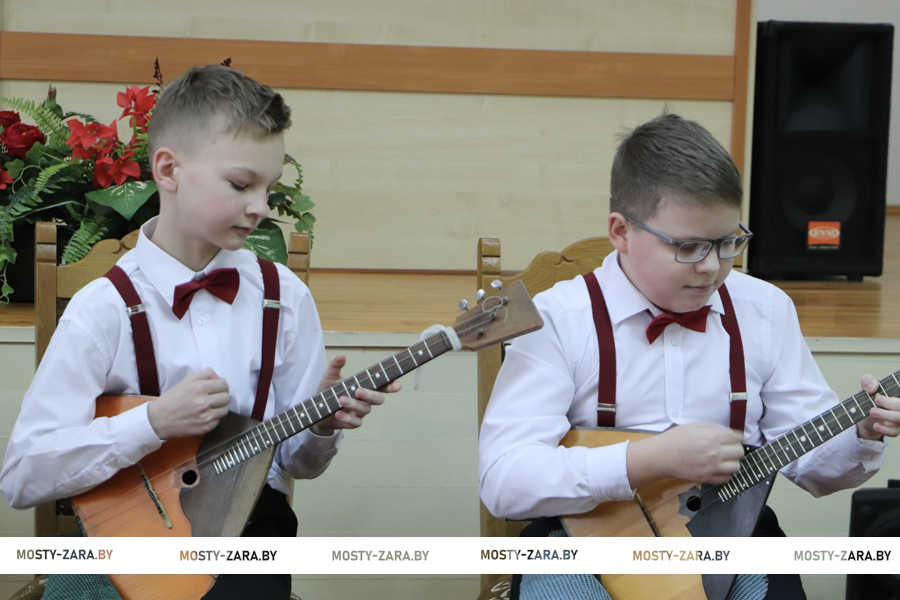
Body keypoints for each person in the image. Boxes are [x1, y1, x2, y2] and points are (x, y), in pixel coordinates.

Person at [0, 65, 399, 599]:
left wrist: (321, 427)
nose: (260, 207)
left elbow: (297, 465)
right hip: (126, 538)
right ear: (168, 170)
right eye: (240, 184)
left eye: (269, 188)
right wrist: (153, 422)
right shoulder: (103, 308)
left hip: (250, 537)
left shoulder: (285, 299)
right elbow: (23, 475)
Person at [478, 113, 900, 600]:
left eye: (728, 242)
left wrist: (861, 434)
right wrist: (646, 459)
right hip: (577, 537)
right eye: (689, 247)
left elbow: (815, 469)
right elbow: (504, 480)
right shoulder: (558, 317)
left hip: (734, 534)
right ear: (621, 231)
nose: (712, 267)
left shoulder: (766, 311)